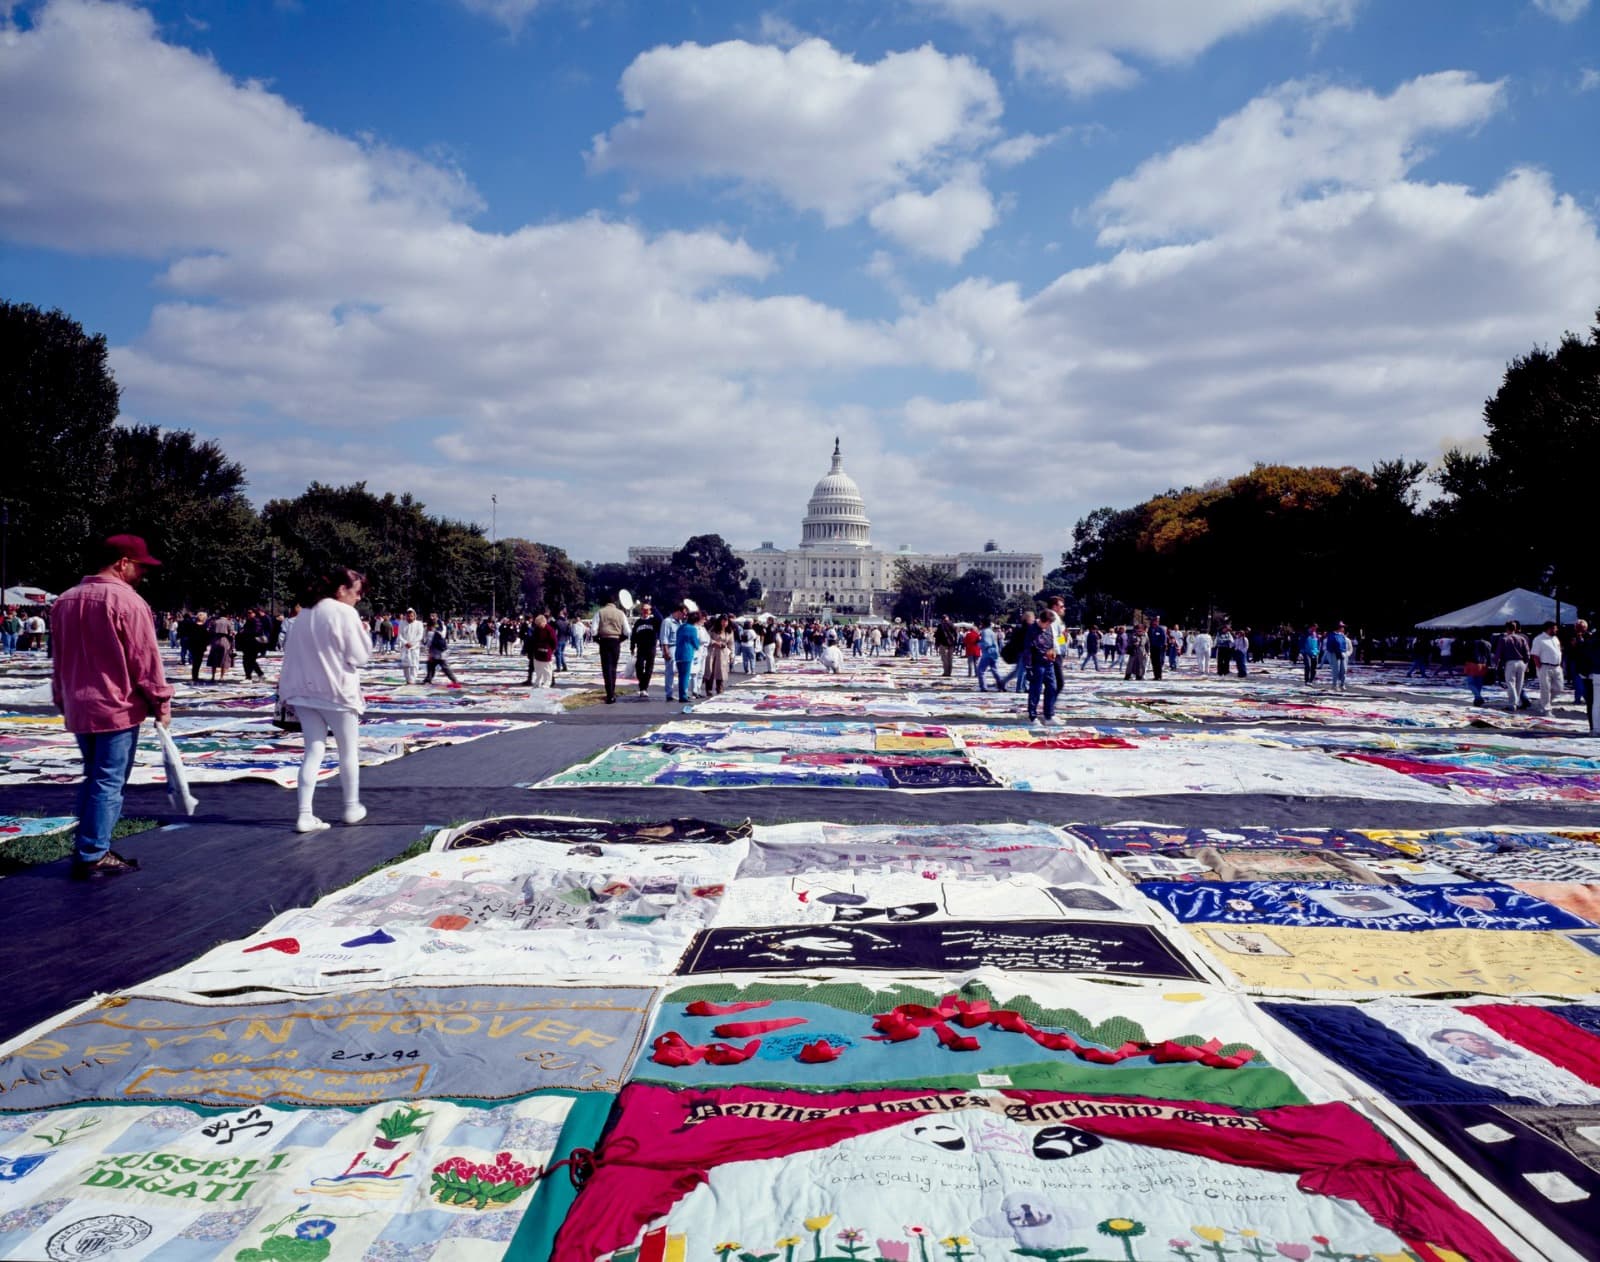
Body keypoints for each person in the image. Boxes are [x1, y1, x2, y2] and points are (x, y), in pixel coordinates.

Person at [51, 535, 174, 879]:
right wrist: (161, 702)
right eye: (140, 566)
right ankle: (93, 853)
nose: (143, 573)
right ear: (122, 562)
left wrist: (61, 697)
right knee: (108, 780)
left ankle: (88, 845)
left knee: (94, 776)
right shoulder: (128, 602)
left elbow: (57, 658)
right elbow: (145, 660)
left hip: (79, 703)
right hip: (115, 706)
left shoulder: (64, 600)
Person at [278, 566, 371, 833]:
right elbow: (361, 657)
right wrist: (363, 632)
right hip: (336, 692)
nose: (360, 597)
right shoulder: (344, 612)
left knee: (313, 751)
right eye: (357, 591)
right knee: (347, 750)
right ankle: (351, 806)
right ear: (342, 590)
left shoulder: (304, 613)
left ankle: (305, 814)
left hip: (303, 692)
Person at [1025, 610, 1060, 724]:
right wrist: (1029, 667)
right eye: (1048, 623)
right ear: (1043, 621)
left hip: (1049, 663)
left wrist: (1053, 651)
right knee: (1036, 690)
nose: (1049, 625)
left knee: (1053, 687)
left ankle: (1048, 715)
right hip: (1037, 664)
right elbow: (1027, 650)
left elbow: (1053, 642)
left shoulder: (1050, 628)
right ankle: (1033, 717)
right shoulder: (1031, 630)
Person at [594, 595, 628, 704]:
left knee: (606, 668)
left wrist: (597, 639)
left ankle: (609, 694)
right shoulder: (620, 613)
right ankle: (612, 692)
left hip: (604, 640)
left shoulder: (600, 612)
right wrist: (620, 639)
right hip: (615, 641)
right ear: (615, 602)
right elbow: (627, 631)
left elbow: (593, 630)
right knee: (613, 667)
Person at [1531, 620, 1564, 717]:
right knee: (1545, 689)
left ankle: (1541, 702)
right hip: (1545, 667)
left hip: (1557, 667)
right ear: (1549, 629)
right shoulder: (1539, 639)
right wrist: (1540, 668)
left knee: (1559, 688)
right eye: (1555, 628)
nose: (1557, 630)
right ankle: (1546, 709)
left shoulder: (1555, 638)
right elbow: (1535, 655)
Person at [1495, 620, 1531, 710]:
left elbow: (1498, 654)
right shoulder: (1522, 639)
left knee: (1510, 683)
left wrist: (1496, 664)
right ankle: (1516, 702)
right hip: (1521, 662)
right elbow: (1527, 653)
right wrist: (1526, 663)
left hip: (1510, 662)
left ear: (1507, 628)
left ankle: (1513, 703)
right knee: (1519, 683)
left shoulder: (1504, 639)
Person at [630, 601, 658, 697]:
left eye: (647, 610)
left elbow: (661, 619)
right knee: (639, 667)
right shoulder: (638, 622)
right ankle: (642, 685)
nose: (645, 611)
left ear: (650, 611)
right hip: (641, 648)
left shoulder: (654, 621)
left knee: (649, 668)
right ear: (641, 610)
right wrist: (632, 647)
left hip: (651, 647)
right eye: (644, 610)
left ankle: (644, 688)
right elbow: (633, 635)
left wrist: (653, 608)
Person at [675, 610, 704, 703]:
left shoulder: (681, 627)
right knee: (685, 676)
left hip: (678, 653)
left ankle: (682, 694)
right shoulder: (692, 629)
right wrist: (698, 646)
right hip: (687, 653)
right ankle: (683, 696)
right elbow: (695, 643)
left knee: (681, 676)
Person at [524, 612, 558, 687]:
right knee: (538, 668)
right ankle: (538, 681)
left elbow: (554, 641)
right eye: (537, 624)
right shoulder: (537, 629)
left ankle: (547, 682)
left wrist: (552, 649)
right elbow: (534, 639)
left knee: (547, 668)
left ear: (543, 622)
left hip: (547, 651)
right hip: (538, 651)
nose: (538, 626)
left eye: (539, 624)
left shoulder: (549, 629)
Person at [424, 617, 460, 685]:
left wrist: (429, 654)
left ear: (429, 626)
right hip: (442, 652)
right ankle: (428, 678)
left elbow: (429, 644)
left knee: (437, 666)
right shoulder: (438, 631)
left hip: (436, 653)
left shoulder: (430, 633)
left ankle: (454, 679)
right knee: (436, 666)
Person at [659, 604, 681, 702]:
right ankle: (669, 693)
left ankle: (675, 692)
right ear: (678, 611)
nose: (684, 616)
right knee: (670, 670)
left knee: (678, 670)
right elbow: (664, 637)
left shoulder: (679, 622)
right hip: (671, 647)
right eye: (683, 613)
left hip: (679, 647)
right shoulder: (667, 621)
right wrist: (666, 651)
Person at [1321, 622, 1353, 692]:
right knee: (1336, 670)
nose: (1343, 628)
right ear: (1338, 627)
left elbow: (1346, 646)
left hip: (1343, 654)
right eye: (1342, 627)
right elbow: (1330, 647)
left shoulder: (1342, 636)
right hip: (1334, 654)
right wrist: (1336, 653)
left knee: (1344, 669)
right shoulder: (1331, 635)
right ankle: (1334, 685)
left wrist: (1346, 654)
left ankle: (1342, 684)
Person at [205, 612, 236, 682]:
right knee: (224, 659)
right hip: (225, 641)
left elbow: (210, 632)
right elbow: (231, 633)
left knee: (214, 659)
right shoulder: (229, 622)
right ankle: (221, 677)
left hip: (215, 641)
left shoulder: (214, 622)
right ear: (227, 615)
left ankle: (213, 676)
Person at [396, 607, 424, 684]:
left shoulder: (419, 624)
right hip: (405, 647)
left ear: (415, 616)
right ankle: (407, 679)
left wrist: (412, 643)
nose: (410, 618)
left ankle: (412, 679)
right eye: (408, 616)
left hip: (414, 647)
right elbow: (400, 635)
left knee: (414, 664)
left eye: (411, 616)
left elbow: (420, 635)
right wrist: (405, 643)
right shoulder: (402, 623)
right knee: (406, 664)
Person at [975, 618, 1003, 691]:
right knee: (994, 670)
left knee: (981, 670)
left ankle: (983, 687)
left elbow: (987, 643)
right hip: (994, 653)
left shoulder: (985, 632)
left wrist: (978, 644)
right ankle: (1001, 685)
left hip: (987, 653)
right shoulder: (991, 632)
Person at [1147, 616, 1168, 681]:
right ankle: (1155, 676)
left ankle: (1159, 676)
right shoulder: (1150, 629)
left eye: (1156, 622)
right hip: (1152, 648)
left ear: (1158, 622)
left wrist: (1163, 646)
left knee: (1159, 663)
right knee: (1154, 662)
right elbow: (1148, 638)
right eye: (1153, 622)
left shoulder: (1161, 629)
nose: (1154, 623)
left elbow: (1164, 639)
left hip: (1159, 648)